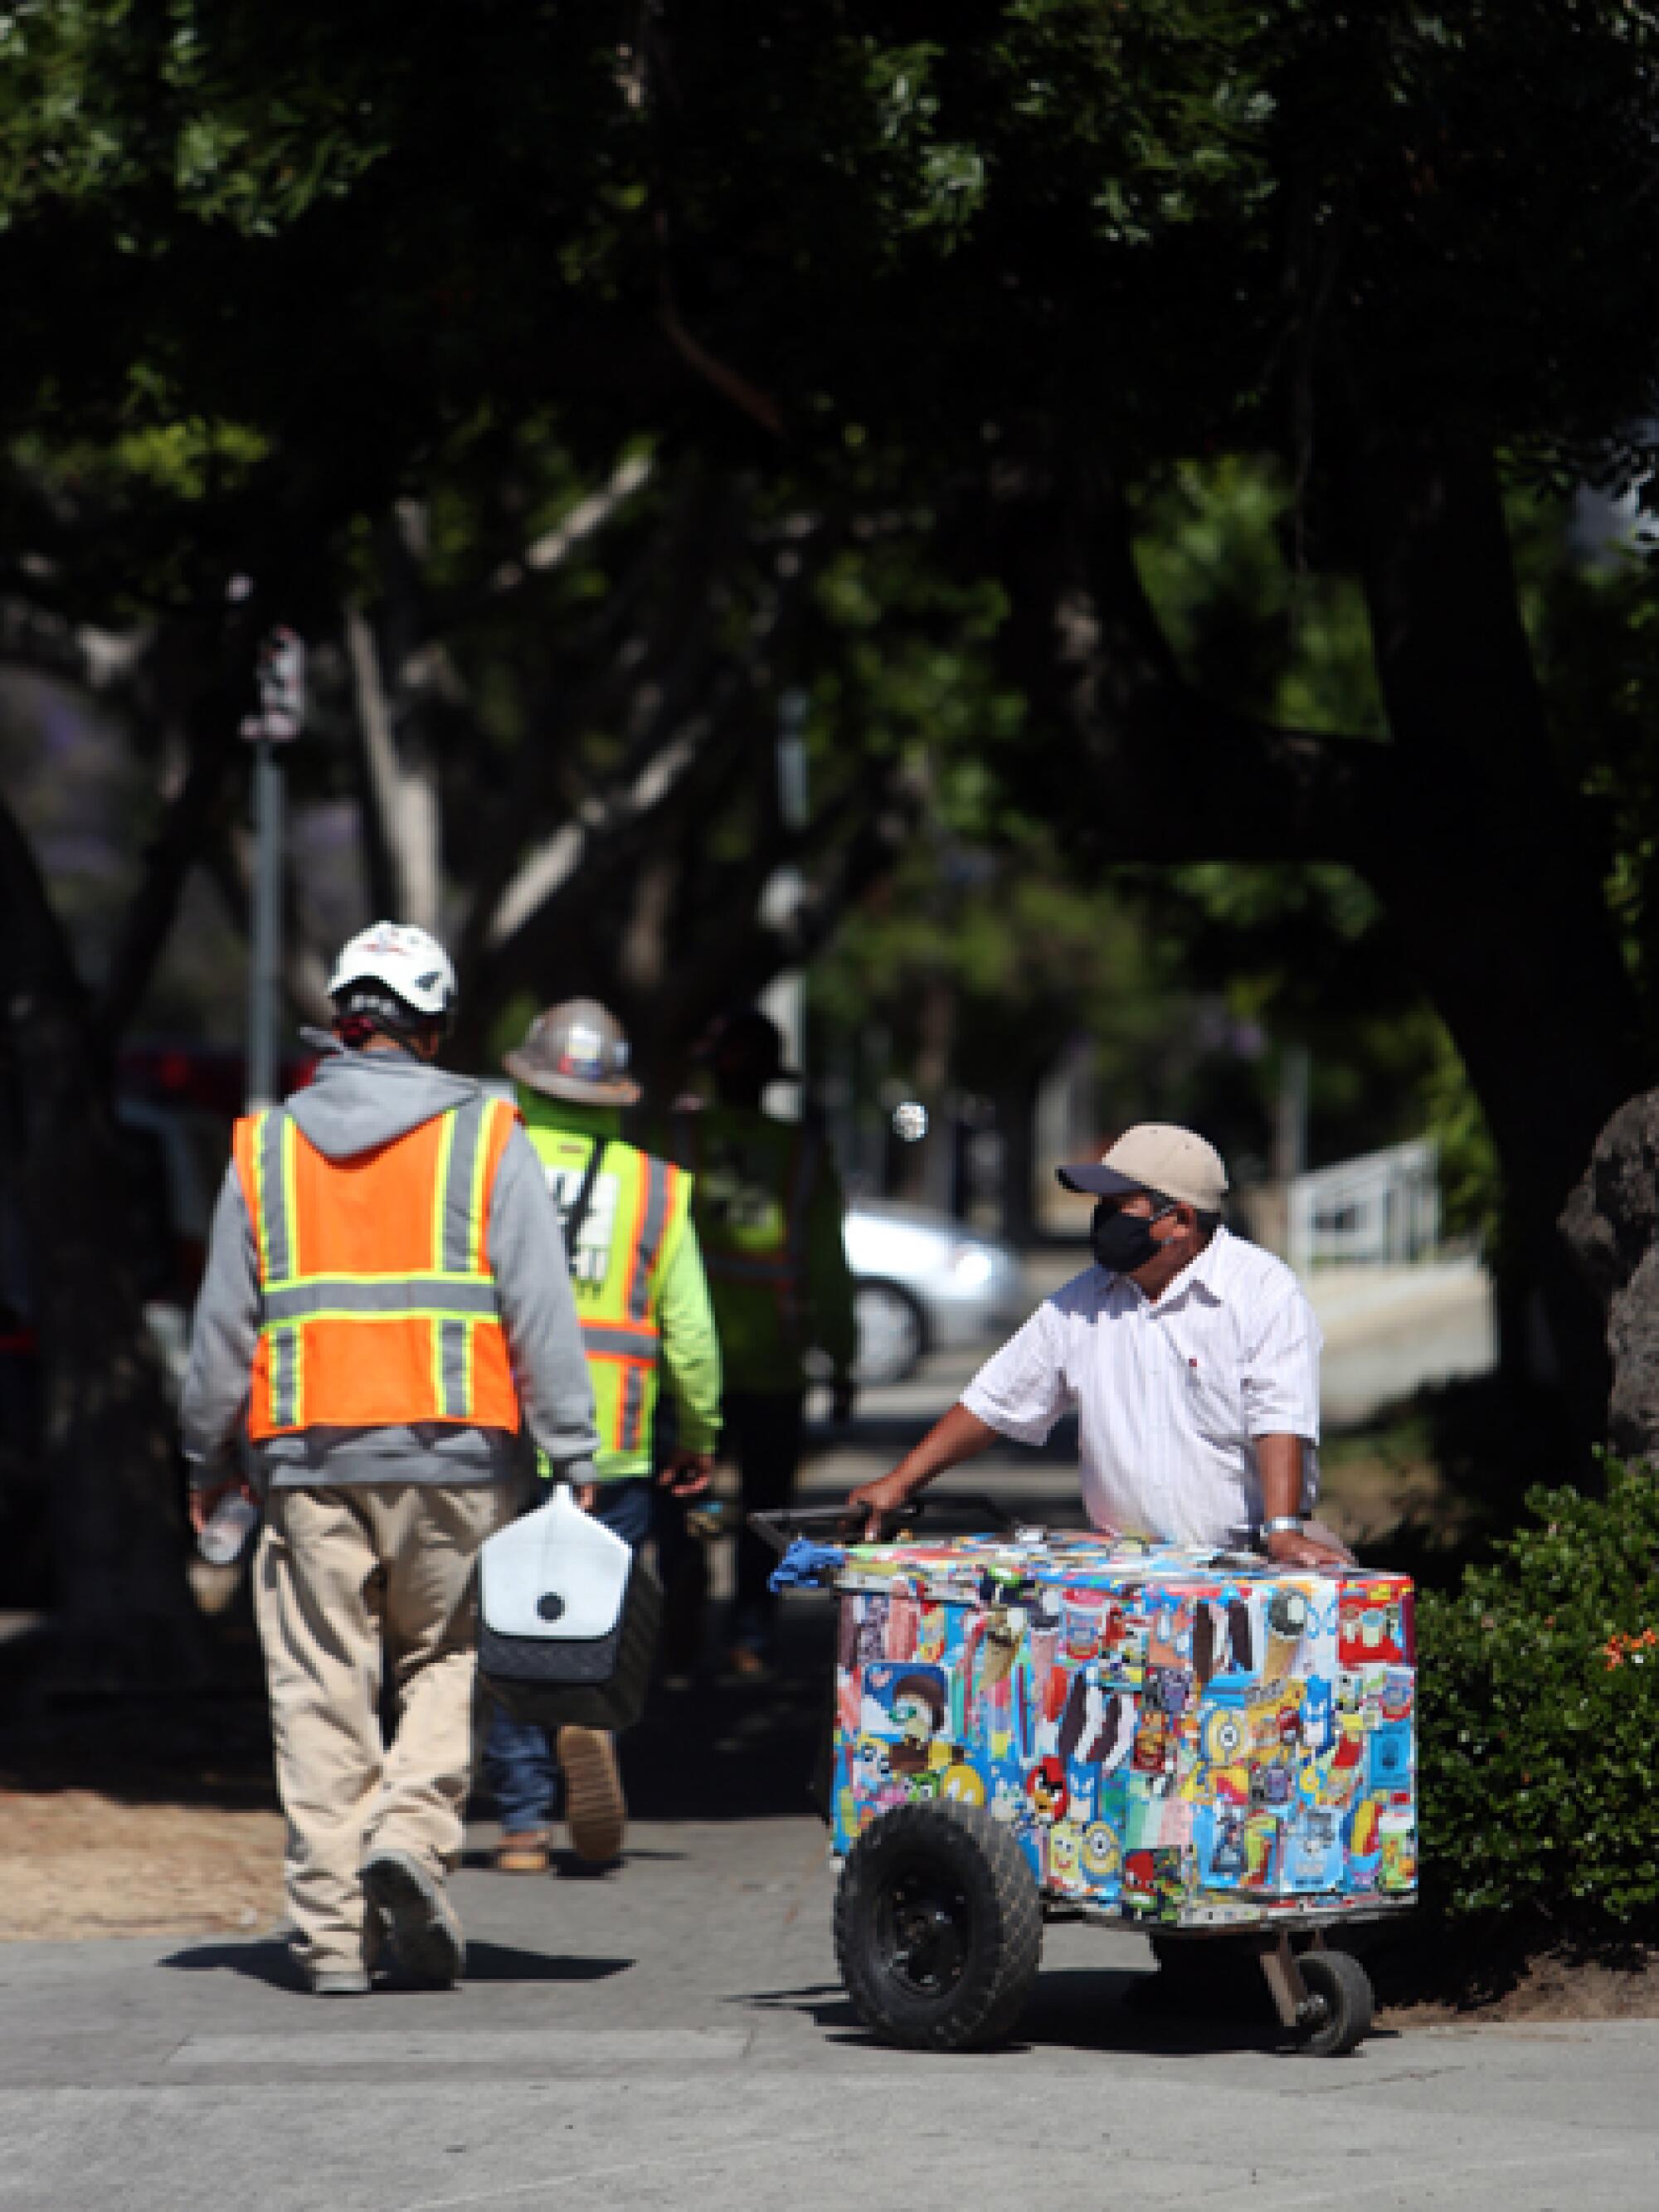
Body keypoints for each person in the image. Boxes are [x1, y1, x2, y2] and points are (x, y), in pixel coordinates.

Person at [180, 923, 600, 1997]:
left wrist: (204, 1455)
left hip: (306, 1459)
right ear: (437, 1026)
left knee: (321, 1690)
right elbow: (538, 1302)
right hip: (460, 1456)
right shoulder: (488, 1136)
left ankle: (327, 1939)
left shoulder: (264, 1146)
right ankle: (412, 1836)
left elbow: (223, 1326)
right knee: (450, 1658)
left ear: (342, 1020)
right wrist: (573, 1445)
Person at [849, 1123, 1346, 1568]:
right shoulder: (1084, 1300)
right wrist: (902, 1481)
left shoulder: (1261, 1291)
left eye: (1120, 1207)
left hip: (1245, 1562)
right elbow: (995, 1402)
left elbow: (1280, 1417)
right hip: (1125, 1569)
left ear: (1181, 1220)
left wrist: (1282, 1532)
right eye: (1101, 1208)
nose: (1104, 1221)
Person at [482, 999, 721, 1875]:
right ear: (613, 1093)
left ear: (530, 1079)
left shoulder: (486, 1168)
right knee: (590, 1611)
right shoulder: (657, 1187)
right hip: (612, 1441)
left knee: (503, 1616)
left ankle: (517, 1823)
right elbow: (689, 1332)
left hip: (497, 1433)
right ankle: (587, 1709)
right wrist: (698, 1433)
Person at [668, 1009, 859, 1675]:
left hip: (686, 1364)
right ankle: (751, 1635)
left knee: (683, 1499)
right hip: (775, 1361)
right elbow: (829, 1266)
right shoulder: (803, 1153)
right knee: (768, 1511)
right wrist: (841, 1358)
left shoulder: (678, 1139)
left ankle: (679, 1624)